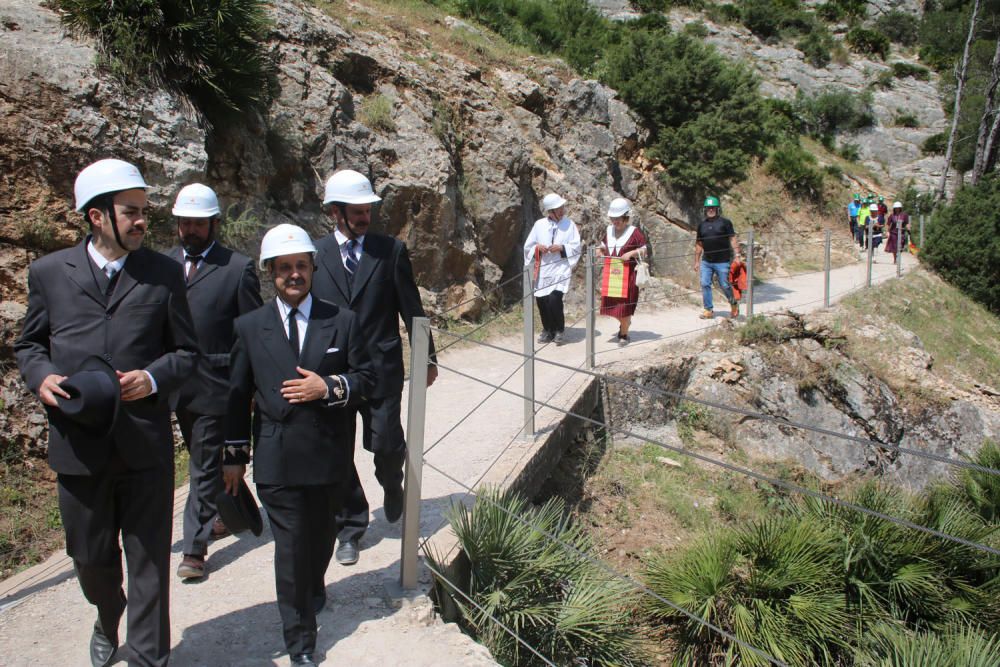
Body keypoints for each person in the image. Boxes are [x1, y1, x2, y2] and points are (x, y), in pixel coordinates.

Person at [15, 159, 199, 667]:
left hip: (145, 448)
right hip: (78, 445)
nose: (143, 221)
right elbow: (29, 345)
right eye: (131, 212)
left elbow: (187, 353)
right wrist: (41, 377)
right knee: (90, 559)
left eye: (144, 211)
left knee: (149, 566)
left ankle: (146, 658)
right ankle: (107, 609)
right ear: (97, 217)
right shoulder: (49, 273)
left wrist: (153, 377)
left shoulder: (164, 274)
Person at [223, 223, 374, 666]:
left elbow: (368, 379)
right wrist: (233, 458)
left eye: (301, 266)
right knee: (289, 550)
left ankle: (314, 583)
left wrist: (327, 387)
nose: (294, 274)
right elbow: (235, 397)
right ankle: (300, 642)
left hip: (328, 456)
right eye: (284, 267)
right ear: (271, 272)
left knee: (321, 538)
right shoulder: (249, 327)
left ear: (312, 269)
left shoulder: (341, 321)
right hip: (276, 457)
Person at [311, 169, 437, 567]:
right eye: (357, 211)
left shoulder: (390, 250)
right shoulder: (315, 256)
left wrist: (426, 355)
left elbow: (411, 307)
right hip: (334, 372)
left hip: (380, 366)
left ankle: (391, 482)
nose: (365, 217)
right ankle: (349, 527)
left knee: (386, 443)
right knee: (336, 452)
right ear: (335, 212)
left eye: (368, 209)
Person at [166, 183, 262, 580]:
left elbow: (252, 331)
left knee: (202, 466)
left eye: (198, 223)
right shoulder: (165, 265)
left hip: (217, 384)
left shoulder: (237, 268)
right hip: (173, 385)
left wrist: (252, 386)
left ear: (214, 223)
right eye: (184, 222)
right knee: (208, 461)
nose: (190, 230)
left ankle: (195, 550)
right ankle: (235, 513)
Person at [523, 192, 583, 345]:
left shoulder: (569, 225)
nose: (562, 209)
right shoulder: (539, 225)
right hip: (543, 268)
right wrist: (538, 248)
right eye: (559, 207)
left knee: (554, 299)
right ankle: (547, 329)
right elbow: (528, 246)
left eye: (562, 206)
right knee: (542, 300)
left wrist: (561, 247)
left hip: (560, 268)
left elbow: (576, 246)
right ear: (551, 211)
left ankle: (559, 330)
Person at [597, 197, 647, 346]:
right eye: (613, 218)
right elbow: (603, 246)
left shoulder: (634, 232)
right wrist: (600, 251)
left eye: (618, 218)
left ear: (625, 217)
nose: (615, 221)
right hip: (611, 276)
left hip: (628, 277)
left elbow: (644, 250)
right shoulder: (609, 231)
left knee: (624, 307)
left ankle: (624, 333)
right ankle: (626, 323)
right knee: (611, 307)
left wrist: (630, 254)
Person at [695, 196, 740, 319]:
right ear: (705, 209)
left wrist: (737, 255)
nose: (711, 210)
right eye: (708, 208)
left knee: (725, 285)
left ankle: (733, 304)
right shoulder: (701, 225)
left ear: (717, 209)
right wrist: (697, 261)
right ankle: (708, 310)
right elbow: (699, 244)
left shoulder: (725, 223)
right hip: (706, 261)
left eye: (713, 208)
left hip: (722, 261)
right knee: (705, 283)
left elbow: (732, 238)